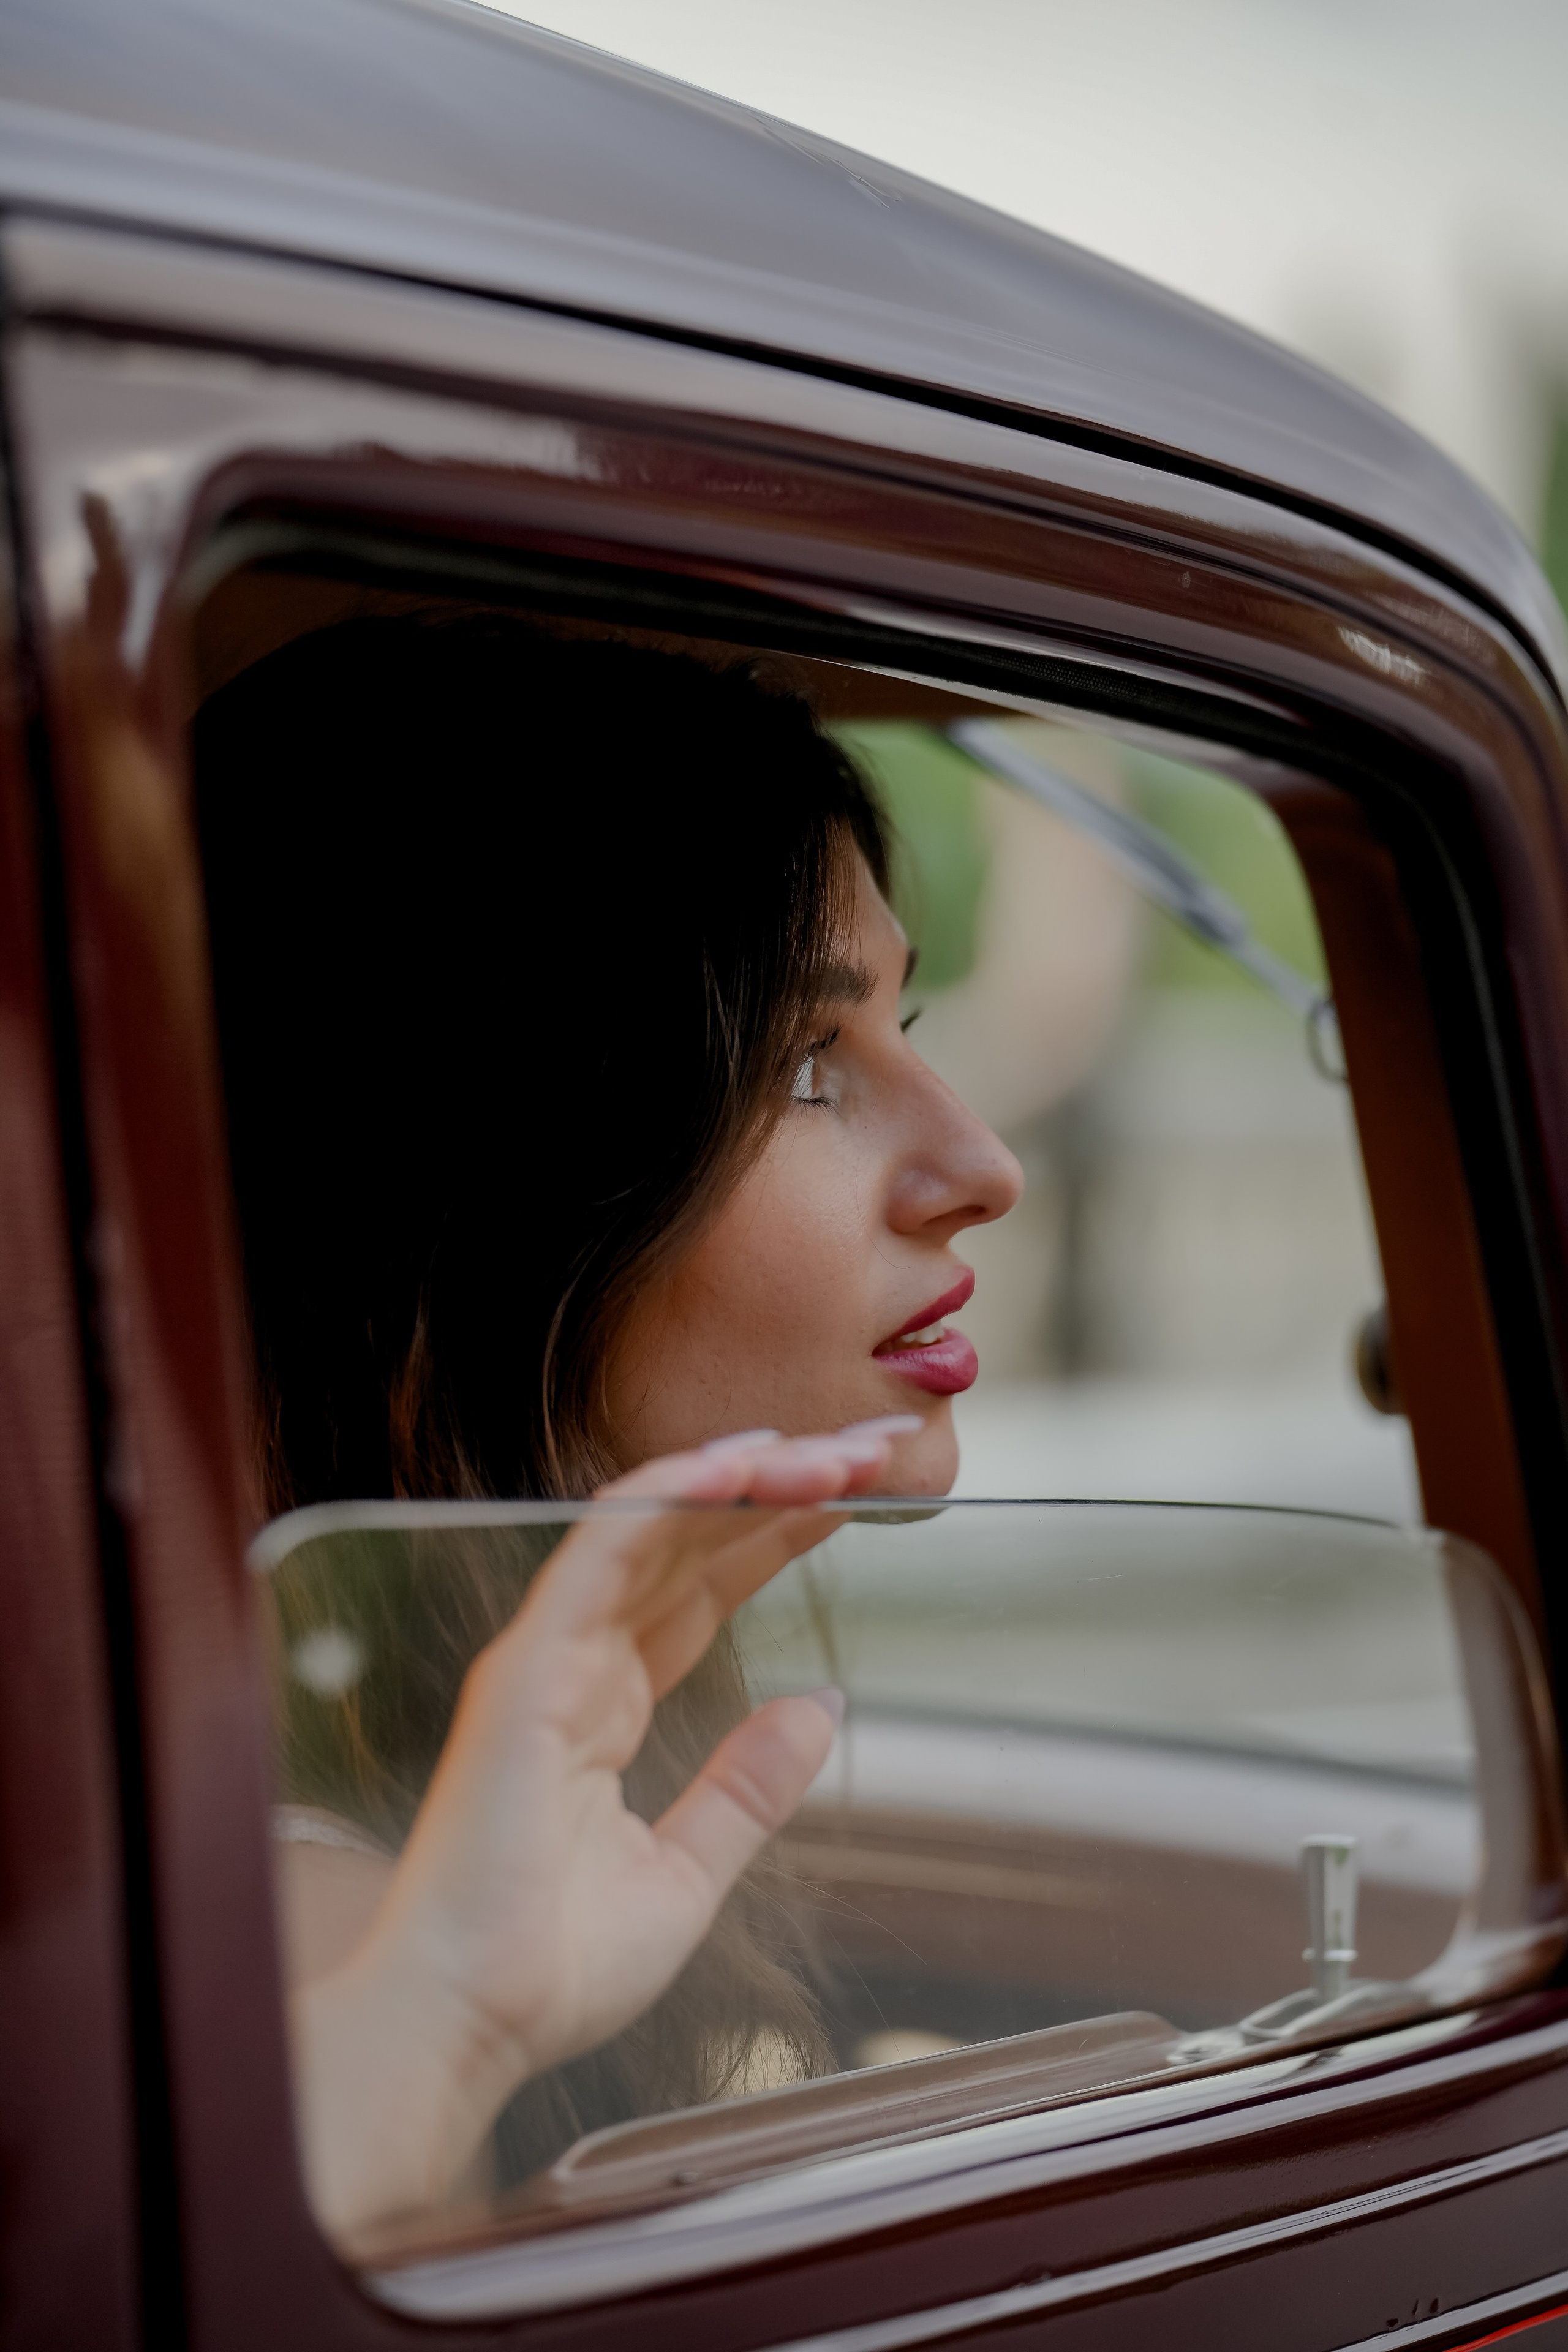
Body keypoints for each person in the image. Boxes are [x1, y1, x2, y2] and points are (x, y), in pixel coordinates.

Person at [194, 614, 1022, 2236]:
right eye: (805, 1062)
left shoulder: (410, 1817)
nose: (980, 1165)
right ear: (468, 1211)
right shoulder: (334, 1945)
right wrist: (436, 2032)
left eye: (904, 1032)